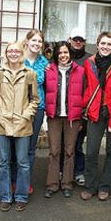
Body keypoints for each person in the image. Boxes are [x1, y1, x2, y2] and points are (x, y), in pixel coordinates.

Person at [0, 42, 39, 212]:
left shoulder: (30, 73)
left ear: (22, 53)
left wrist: (26, 116)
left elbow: (34, 100)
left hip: (23, 124)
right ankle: (5, 196)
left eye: (17, 50)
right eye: (10, 51)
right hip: (2, 124)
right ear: (6, 53)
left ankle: (21, 196)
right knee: (3, 162)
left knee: (23, 162)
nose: (14, 53)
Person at [80, 32, 111, 201]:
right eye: (103, 43)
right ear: (97, 44)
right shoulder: (89, 63)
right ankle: (90, 186)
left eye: (109, 44)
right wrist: (84, 106)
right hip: (94, 113)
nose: (105, 46)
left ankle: (105, 186)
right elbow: (88, 88)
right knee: (91, 151)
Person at [44, 41, 84, 198]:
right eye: (60, 53)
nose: (63, 55)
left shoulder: (80, 71)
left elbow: (84, 93)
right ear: (56, 54)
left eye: (66, 52)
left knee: (69, 151)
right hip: (54, 117)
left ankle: (67, 183)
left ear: (70, 54)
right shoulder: (49, 70)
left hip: (72, 118)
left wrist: (82, 116)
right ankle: (52, 184)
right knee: (54, 151)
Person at [21, 29, 49, 194]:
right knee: (17, 146)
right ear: (27, 41)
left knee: (31, 147)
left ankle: (25, 181)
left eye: (39, 41)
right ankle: (14, 179)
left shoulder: (44, 63)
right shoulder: (17, 59)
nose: (37, 44)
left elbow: (48, 86)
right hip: (18, 109)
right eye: (34, 40)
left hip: (38, 109)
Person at [68, 27, 91, 186]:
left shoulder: (90, 60)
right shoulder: (62, 56)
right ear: (69, 39)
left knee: (77, 143)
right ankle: (65, 171)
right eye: (75, 39)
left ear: (84, 42)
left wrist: (85, 111)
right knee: (63, 144)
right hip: (63, 110)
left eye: (80, 40)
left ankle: (79, 171)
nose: (77, 42)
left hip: (82, 111)